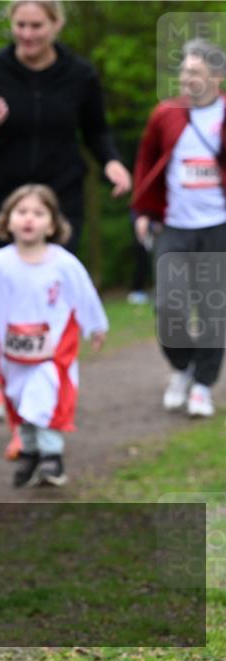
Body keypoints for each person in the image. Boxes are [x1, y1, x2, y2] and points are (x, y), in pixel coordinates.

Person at [0, 0, 130, 426]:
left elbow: (96, 131)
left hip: (58, 201)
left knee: (52, 291)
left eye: (37, 26)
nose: (28, 35)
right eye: (20, 25)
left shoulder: (80, 75)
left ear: (57, 25)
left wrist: (112, 162)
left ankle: (50, 377)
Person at [0, 184, 108, 487]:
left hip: (52, 352)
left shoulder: (64, 264)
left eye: (39, 213)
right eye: (22, 212)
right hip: (12, 351)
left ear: (52, 224)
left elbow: (85, 294)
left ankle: (52, 456)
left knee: (46, 395)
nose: (29, 219)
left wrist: (95, 325)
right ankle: (29, 449)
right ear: (8, 220)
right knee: (17, 398)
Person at [132, 38, 226, 418]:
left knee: (212, 309)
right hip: (174, 225)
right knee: (169, 306)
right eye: (184, 71)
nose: (187, 78)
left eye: (196, 72)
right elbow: (147, 161)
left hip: (219, 225)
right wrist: (142, 209)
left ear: (216, 77)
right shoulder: (165, 114)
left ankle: (203, 385)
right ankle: (182, 368)